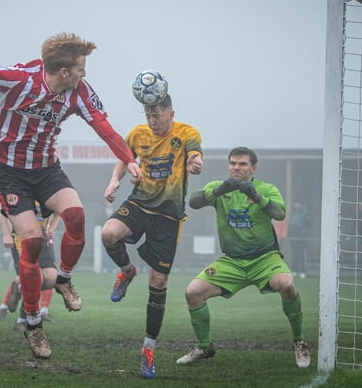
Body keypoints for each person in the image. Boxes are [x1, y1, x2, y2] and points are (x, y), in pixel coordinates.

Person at [0, 32, 141, 359]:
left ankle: (63, 280)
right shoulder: (19, 80)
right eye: (80, 68)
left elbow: (104, 127)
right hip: (9, 172)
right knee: (31, 241)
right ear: (63, 71)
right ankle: (33, 324)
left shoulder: (79, 93)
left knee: (76, 217)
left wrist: (130, 159)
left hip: (46, 169)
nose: (84, 74)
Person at [176, 146, 311, 369]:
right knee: (193, 292)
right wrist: (218, 191)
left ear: (253, 168)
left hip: (265, 258)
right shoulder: (220, 188)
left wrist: (256, 196)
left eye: (242, 164)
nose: (236, 168)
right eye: (233, 163)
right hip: (232, 261)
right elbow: (193, 201)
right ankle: (204, 347)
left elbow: (280, 213)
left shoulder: (266, 188)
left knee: (286, 285)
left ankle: (299, 342)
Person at [100, 93, 203, 379]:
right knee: (109, 233)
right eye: (148, 115)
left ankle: (148, 347)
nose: (152, 120)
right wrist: (114, 180)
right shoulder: (138, 134)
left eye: (157, 115)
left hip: (168, 218)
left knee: (158, 282)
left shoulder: (186, 133)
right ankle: (125, 270)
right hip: (139, 204)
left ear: (171, 113)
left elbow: (195, 154)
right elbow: (124, 156)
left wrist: (195, 163)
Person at [0, 201, 59, 328]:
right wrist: (7, 234)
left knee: (53, 278)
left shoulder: (48, 188)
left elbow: (58, 211)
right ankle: (23, 320)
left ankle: (18, 287)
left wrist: (51, 228)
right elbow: (2, 209)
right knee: (36, 278)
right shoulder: (20, 185)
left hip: (43, 239)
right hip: (22, 238)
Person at [287, 201, 310, 278]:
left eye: (298, 203)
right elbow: (290, 224)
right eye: (295, 203)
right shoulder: (293, 213)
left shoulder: (305, 213)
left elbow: (309, 225)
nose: (296, 204)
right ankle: (295, 270)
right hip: (293, 238)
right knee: (295, 254)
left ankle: (303, 271)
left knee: (302, 255)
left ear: (300, 204)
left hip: (302, 238)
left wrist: (303, 233)